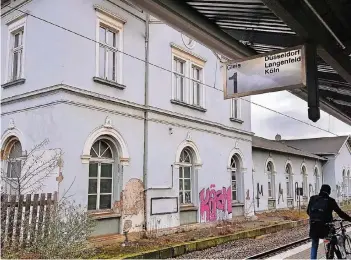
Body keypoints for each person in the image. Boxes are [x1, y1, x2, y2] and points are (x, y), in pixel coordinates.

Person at [307, 184, 351, 259]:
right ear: (329, 192)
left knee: (314, 243)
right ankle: (336, 254)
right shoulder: (331, 201)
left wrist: (316, 218)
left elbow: (308, 211)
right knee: (332, 238)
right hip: (326, 227)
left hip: (314, 226)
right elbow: (340, 213)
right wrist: (350, 219)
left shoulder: (312, 199)